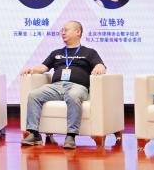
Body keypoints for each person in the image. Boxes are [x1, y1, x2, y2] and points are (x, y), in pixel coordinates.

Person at [19, 20, 107, 150]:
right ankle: (34, 134)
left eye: (66, 30)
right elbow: (43, 67)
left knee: (73, 95)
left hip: (77, 87)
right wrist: (32, 70)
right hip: (56, 87)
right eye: (62, 30)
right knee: (34, 95)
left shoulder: (89, 52)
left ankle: (71, 135)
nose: (63, 33)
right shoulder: (56, 53)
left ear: (78, 32)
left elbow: (100, 65)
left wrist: (99, 67)